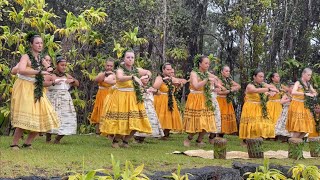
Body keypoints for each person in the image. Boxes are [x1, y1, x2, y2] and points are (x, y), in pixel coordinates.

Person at [10, 33, 59, 150]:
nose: (39, 45)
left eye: (41, 43)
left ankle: (27, 143)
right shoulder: (25, 56)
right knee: (25, 114)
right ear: (31, 44)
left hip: (36, 87)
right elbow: (21, 70)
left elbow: (49, 68)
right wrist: (39, 72)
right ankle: (14, 143)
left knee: (42, 115)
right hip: (24, 87)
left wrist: (49, 68)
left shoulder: (40, 58)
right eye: (37, 43)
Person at [99, 50, 152, 148]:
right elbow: (119, 78)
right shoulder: (120, 69)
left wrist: (147, 76)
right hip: (121, 97)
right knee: (122, 121)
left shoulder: (136, 69)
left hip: (133, 97)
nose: (130, 59)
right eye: (128, 57)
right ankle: (115, 141)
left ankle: (125, 141)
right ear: (124, 58)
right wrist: (132, 77)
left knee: (137, 120)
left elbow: (148, 71)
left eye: (132, 57)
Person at [183, 55, 217, 147]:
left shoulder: (207, 73)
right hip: (195, 98)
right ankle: (189, 138)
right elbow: (196, 86)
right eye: (206, 63)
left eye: (209, 63)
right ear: (199, 64)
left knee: (207, 121)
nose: (208, 65)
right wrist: (207, 80)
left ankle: (199, 140)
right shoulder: (194, 73)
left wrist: (217, 84)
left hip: (205, 98)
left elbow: (217, 79)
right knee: (198, 121)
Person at [45, 56, 79, 144]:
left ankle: (57, 139)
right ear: (57, 65)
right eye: (62, 65)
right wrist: (53, 82)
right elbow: (44, 83)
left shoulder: (67, 75)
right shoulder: (51, 74)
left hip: (65, 101)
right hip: (52, 99)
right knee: (51, 118)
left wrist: (72, 81)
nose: (64, 67)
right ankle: (48, 138)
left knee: (67, 119)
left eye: (65, 65)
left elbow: (77, 83)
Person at [239, 69, 279, 141]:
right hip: (250, 107)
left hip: (259, 107)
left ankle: (257, 139)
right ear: (254, 77)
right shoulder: (250, 85)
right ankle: (246, 140)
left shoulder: (262, 84)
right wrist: (268, 90)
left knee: (262, 123)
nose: (262, 78)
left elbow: (272, 87)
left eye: (263, 77)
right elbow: (255, 90)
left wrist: (272, 92)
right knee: (251, 124)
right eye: (260, 77)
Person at [153, 63, 183, 139]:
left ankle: (166, 133)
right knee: (161, 116)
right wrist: (163, 80)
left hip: (170, 99)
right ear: (163, 70)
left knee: (171, 116)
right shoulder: (159, 77)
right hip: (161, 99)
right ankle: (159, 133)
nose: (169, 71)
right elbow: (155, 87)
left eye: (170, 69)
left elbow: (178, 85)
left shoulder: (171, 78)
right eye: (168, 69)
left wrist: (178, 85)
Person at [287, 68, 318, 138]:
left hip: (304, 106)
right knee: (298, 127)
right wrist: (305, 93)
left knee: (306, 128)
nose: (309, 77)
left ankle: (297, 143)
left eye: (310, 75)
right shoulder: (298, 82)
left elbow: (314, 92)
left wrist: (314, 94)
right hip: (296, 105)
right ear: (303, 74)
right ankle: (294, 144)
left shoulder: (308, 84)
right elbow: (293, 92)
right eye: (308, 75)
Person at [134, 76, 164, 143]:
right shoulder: (136, 87)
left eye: (147, 78)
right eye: (144, 78)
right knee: (140, 120)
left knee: (149, 121)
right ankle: (136, 137)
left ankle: (142, 138)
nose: (146, 80)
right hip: (140, 105)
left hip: (149, 106)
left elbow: (159, 93)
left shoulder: (149, 87)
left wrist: (154, 90)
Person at [90, 58, 115, 134]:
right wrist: (105, 74)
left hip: (111, 94)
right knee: (100, 110)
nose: (109, 67)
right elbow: (96, 80)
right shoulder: (102, 74)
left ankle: (108, 131)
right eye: (108, 65)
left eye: (111, 66)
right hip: (102, 94)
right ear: (105, 65)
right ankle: (98, 131)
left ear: (113, 67)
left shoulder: (115, 75)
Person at [216, 65, 240, 137]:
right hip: (220, 99)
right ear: (221, 72)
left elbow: (238, 86)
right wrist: (229, 90)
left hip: (227, 100)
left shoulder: (229, 80)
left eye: (229, 71)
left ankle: (221, 135)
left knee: (226, 118)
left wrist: (231, 89)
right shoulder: (219, 80)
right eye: (226, 71)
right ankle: (215, 135)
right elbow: (219, 92)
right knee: (220, 117)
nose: (228, 72)